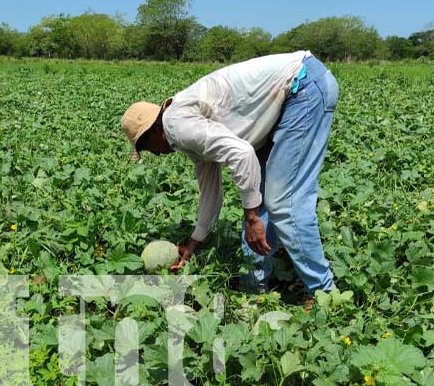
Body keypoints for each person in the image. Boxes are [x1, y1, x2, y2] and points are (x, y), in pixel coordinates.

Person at [121, 50, 339, 298]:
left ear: (154, 130)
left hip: (303, 87)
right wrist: (195, 241)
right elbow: (210, 192)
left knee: (284, 202)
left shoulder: (178, 126)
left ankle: (325, 295)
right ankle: (255, 289)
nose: (152, 154)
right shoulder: (184, 131)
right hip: (290, 95)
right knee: (261, 199)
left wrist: (251, 218)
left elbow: (243, 153)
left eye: (144, 146)